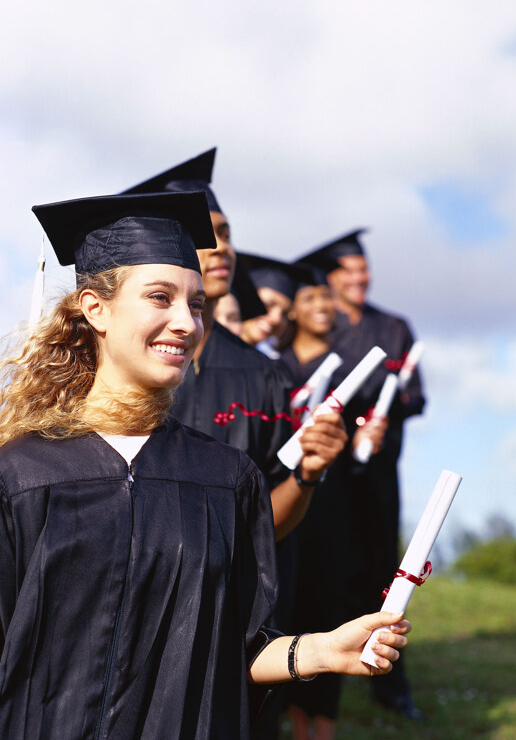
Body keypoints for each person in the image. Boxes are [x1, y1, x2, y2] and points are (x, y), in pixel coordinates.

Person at [0, 190, 411, 740]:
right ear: (95, 308)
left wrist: (319, 649)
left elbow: (237, 648)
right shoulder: (23, 475)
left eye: (195, 304)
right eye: (160, 298)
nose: (185, 323)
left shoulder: (225, 477)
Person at [122, 151, 348, 542]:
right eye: (204, 237)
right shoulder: (115, 365)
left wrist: (307, 475)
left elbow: (268, 514)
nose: (222, 248)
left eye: (225, 234)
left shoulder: (265, 375)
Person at [296, 230, 426, 720]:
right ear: (329, 281)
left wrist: (389, 414)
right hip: (332, 475)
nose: (359, 278)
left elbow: (417, 394)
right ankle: (321, 677)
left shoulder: (394, 327)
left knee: (384, 572)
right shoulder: (324, 328)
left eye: (363, 269)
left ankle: (392, 685)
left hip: (379, 472)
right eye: (347, 271)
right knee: (329, 571)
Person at [280, 267, 389, 740]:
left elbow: (363, 434)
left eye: (328, 299)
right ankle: (287, 716)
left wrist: (368, 436)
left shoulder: (350, 370)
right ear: (292, 309)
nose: (324, 306)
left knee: (328, 605)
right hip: (282, 501)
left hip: (334, 503)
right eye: (312, 298)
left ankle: (321, 723)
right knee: (286, 603)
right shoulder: (272, 366)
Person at [236, 253, 308, 356]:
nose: (276, 319)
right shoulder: (211, 350)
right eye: (268, 305)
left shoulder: (272, 365)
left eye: (285, 313)